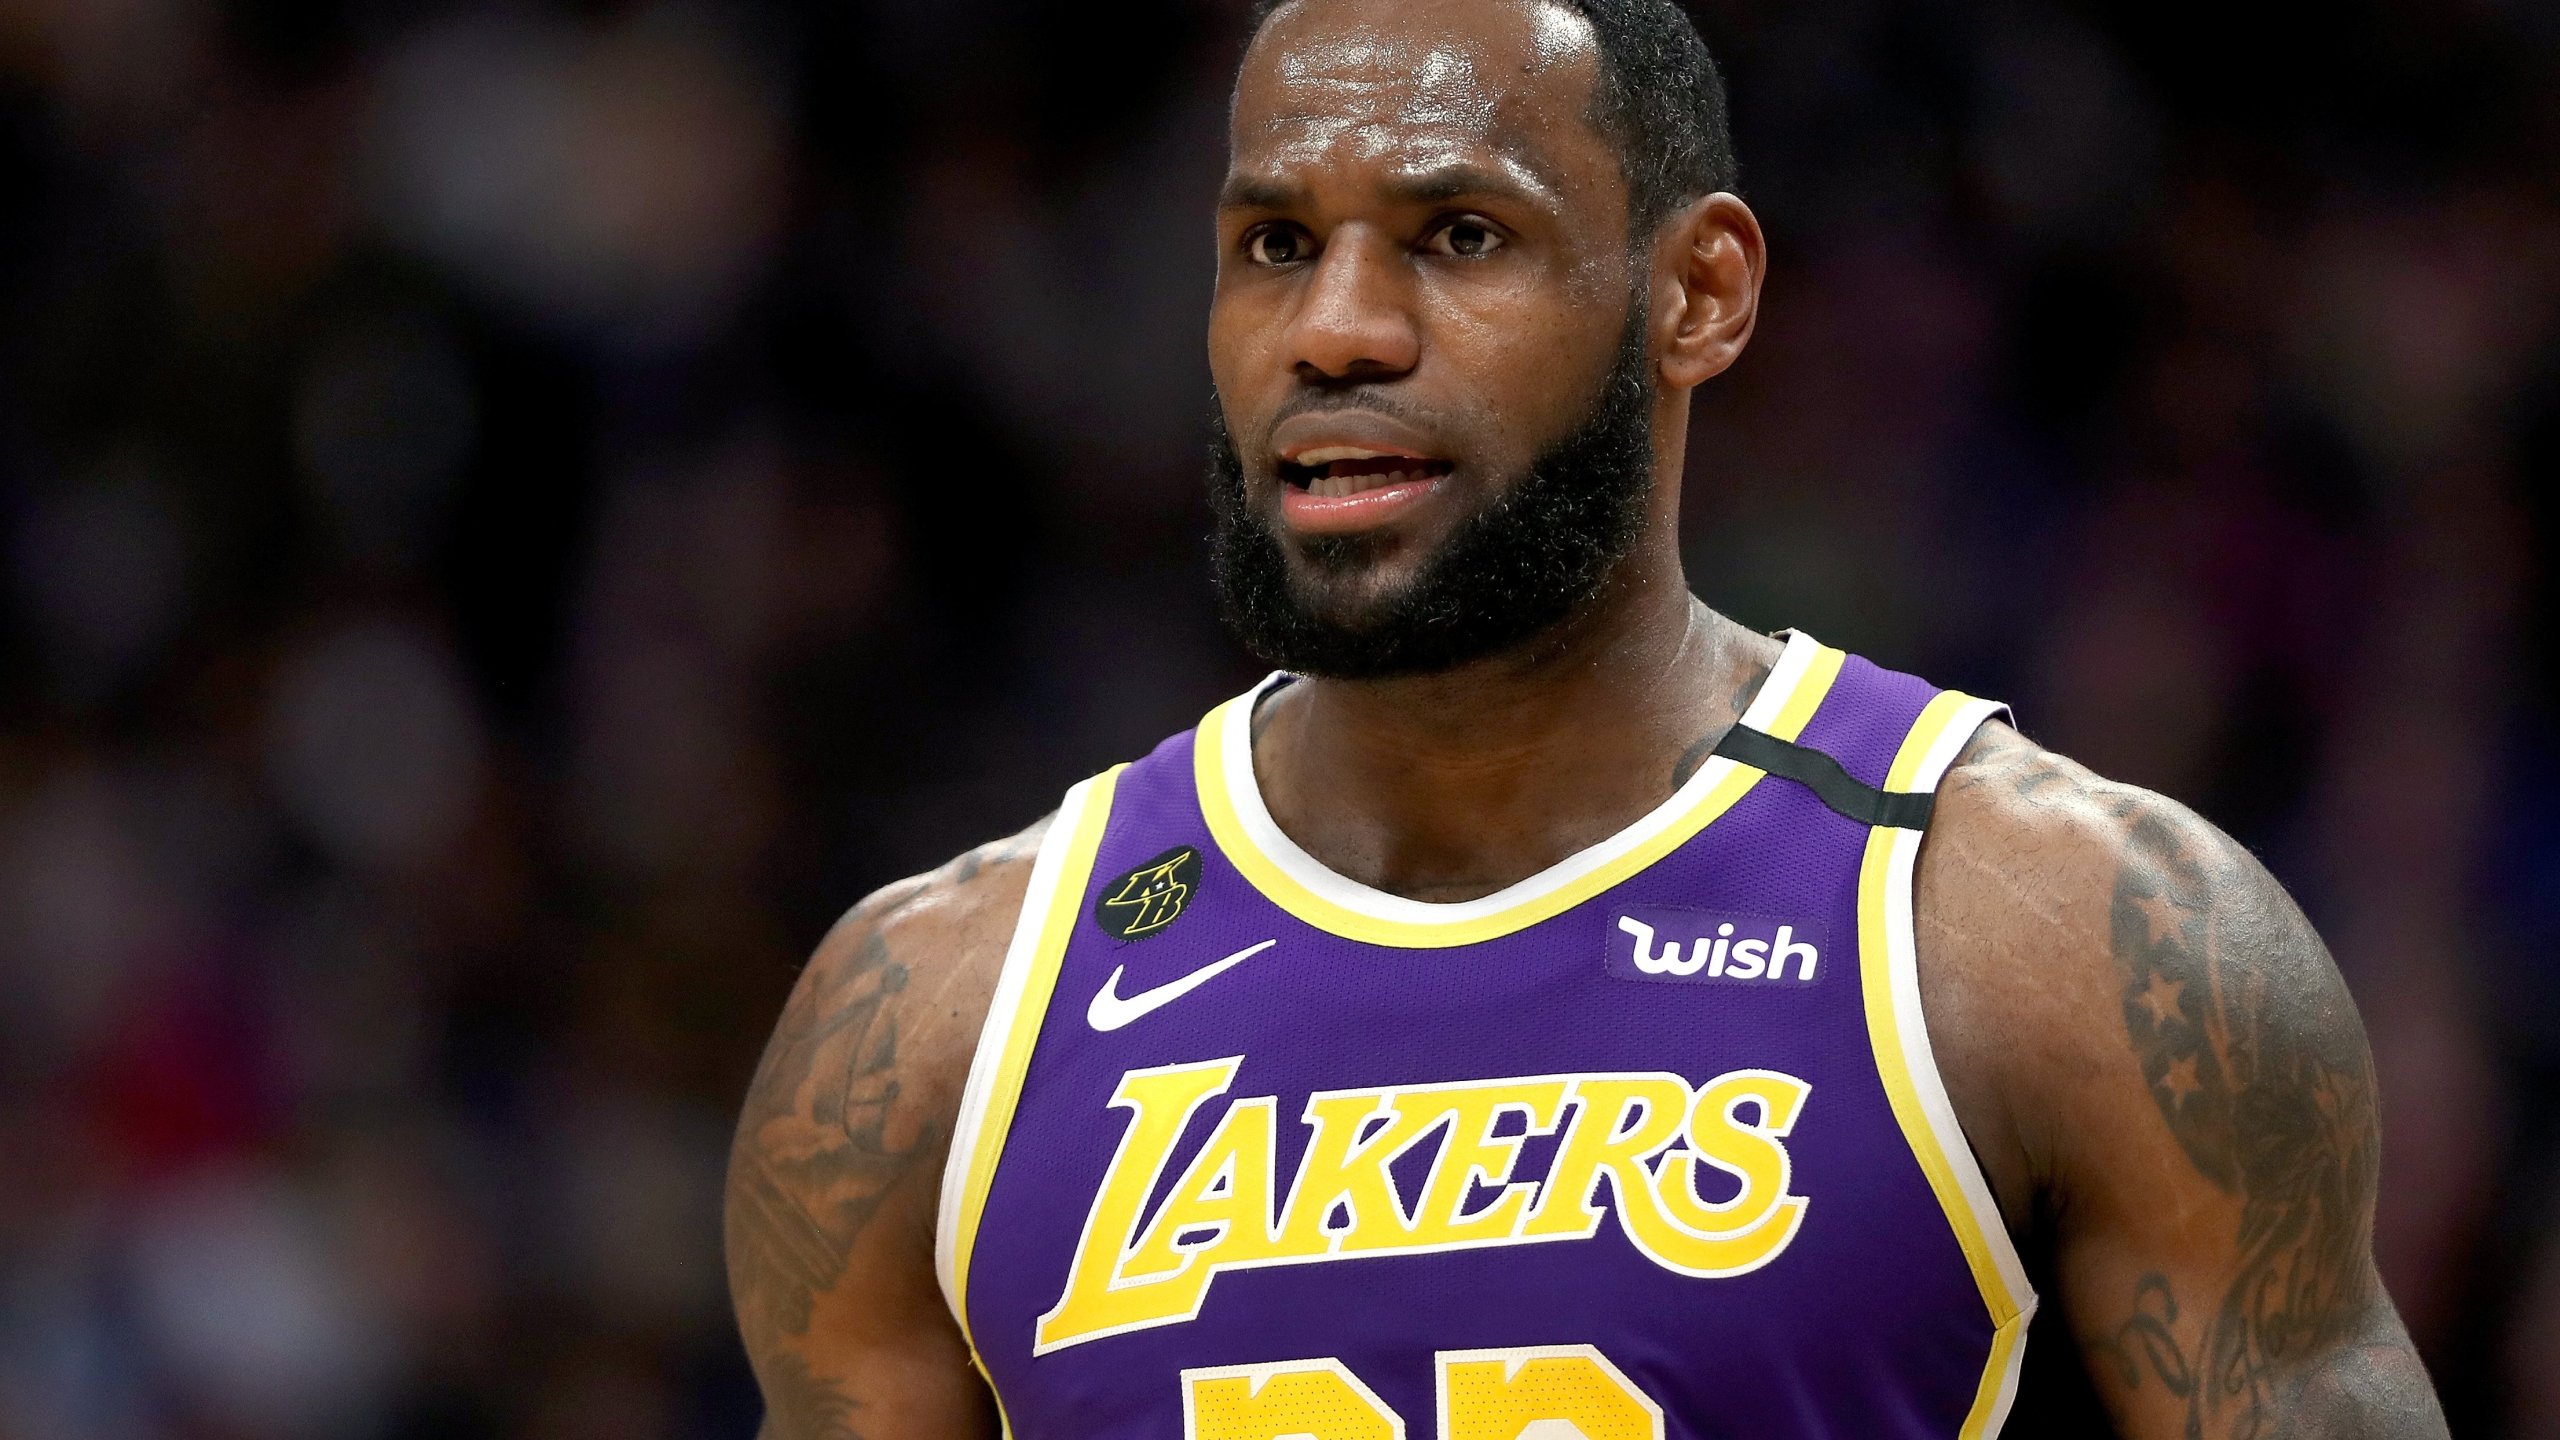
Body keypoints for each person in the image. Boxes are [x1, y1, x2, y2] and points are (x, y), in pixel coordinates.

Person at [723, 0, 2453, 1435]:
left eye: (1456, 236)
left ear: (1696, 293)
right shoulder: (933, 1020)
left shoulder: (2066, 939)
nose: (1335, 329)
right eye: (1272, 246)